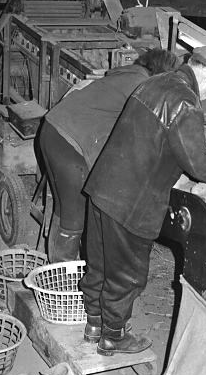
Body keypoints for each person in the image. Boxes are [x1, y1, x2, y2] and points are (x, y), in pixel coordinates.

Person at [80, 45, 206, 356]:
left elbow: (153, 134)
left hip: (103, 186)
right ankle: (113, 336)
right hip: (132, 200)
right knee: (127, 272)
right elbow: (201, 166)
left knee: (101, 263)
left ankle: (94, 324)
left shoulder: (154, 82)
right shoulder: (184, 101)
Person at [37, 48, 179, 262]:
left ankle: (60, 270)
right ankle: (62, 281)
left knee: (64, 207)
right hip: (68, 143)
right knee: (74, 215)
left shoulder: (128, 75)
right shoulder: (142, 85)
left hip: (52, 130)